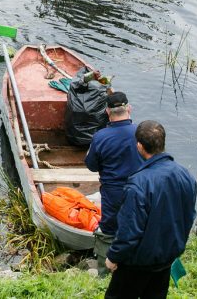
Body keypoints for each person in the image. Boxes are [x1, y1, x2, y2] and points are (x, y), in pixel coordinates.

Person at [105, 121, 196, 299]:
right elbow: (189, 215)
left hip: (138, 262)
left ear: (139, 146)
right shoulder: (185, 175)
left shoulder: (138, 183)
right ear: (162, 142)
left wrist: (113, 257)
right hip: (166, 257)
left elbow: (130, 231)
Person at [84, 92, 143, 276]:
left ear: (107, 111)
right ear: (129, 109)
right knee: (138, 225)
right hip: (140, 189)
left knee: (108, 230)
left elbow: (92, 166)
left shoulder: (100, 137)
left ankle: (103, 273)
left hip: (113, 193)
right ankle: (134, 267)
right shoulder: (141, 133)